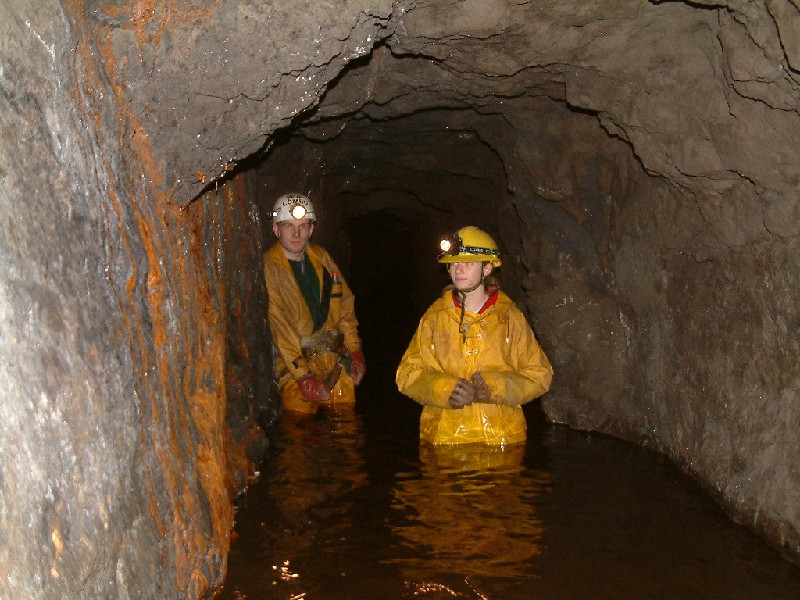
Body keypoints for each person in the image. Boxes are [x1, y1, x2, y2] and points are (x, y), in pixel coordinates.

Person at [396, 226, 553, 445]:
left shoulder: (509, 318)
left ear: (487, 269)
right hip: (445, 443)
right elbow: (407, 374)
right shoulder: (435, 317)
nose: (459, 269)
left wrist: (491, 389)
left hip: (502, 442)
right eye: (454, 263)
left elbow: (540, 375)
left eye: (468, 263)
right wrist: (445, 390)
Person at [263, 192, 365, 414]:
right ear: (276, 230)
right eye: (288, 226)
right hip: (294, 367)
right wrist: (303, 376)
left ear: (311, 229)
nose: (296, 233)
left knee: (345, 421)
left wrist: (354, 349)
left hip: (334, 361)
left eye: (303, 226)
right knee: (300, 427)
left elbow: (345, 305)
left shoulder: (322, 259)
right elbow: (280, 328)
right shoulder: (270, 268)